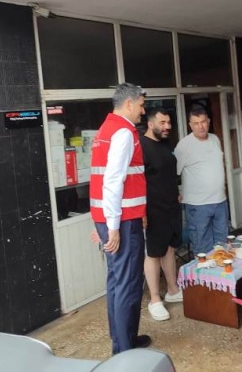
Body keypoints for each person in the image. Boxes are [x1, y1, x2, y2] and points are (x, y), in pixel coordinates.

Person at [90, 83, 151, 354]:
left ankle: (121, 340)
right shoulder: (124, 132)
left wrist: (103, 224)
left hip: (111, 218)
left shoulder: (105, 129)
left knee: (116, 281)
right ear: (129, 104)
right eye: (141, 105)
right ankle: (125, 351)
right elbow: (114, 180)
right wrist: (113, 227)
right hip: (123, 221)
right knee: (128, 284)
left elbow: (101, 179)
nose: (142, 111)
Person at [139, 108, 183, 321]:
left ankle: (173, 290)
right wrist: (141, 212)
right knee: (153, 253)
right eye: (162, 122)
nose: (167, 126)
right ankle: (155, 299)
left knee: (170, 248)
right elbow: (136, 183)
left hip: (171, 207)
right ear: (150, 123)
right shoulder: (141, 147)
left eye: (169, 122)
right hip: (152, 209)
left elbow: (167, 173)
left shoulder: (165, 144)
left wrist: (176, 192)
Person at [175, 106, 228, 255]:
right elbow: (173, 173)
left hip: (220, 202)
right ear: (190, 125)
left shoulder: (215, 139)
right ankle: (203, 279)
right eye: (196, 123)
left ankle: (220, 279)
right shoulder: (184, 145)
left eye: (203, 122)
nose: (201, 126)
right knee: (202, 248)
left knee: (222, 245)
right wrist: (176, 192)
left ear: (209, 122)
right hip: (197, 205)